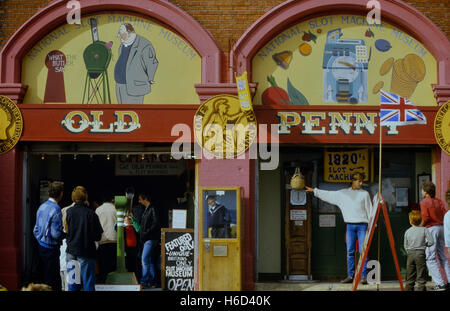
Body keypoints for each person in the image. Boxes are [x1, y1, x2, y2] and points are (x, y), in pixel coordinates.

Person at [305, 172, 372, 284]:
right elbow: (329, 195)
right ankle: (350, 276)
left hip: (362, 226)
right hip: (350, 226)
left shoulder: (365, 194)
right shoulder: (343, 194)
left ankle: (364, 276)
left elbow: (370, 210)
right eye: (359, 181)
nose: (361, 183)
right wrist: (314, 191)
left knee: (363, 251)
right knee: (350, 251)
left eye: (362, 181)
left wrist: (372, 225)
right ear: (353, 180)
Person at [66, 186, 103, 291]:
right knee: (88, 283)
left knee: (73, 283)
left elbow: (66, 230)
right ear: (85, 197)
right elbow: (97, 236)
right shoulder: (91, 213)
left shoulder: (69, 212)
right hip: (86, 252)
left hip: (71, 251)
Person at [114, 23, 158, 105]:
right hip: (120, 85)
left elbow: (152, 62)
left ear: (129, 33)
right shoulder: (123, 45)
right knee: (121, 111)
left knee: (132, 111)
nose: (118, 35)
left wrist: (150, 78)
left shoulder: (144, 44)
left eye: (120, 33)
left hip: (135, 87)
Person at [33, 181, 65, 291]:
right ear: (60, 194)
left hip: (41, 246)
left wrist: (41, 239)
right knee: (53, 279)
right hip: (51, 248)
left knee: (44, 277)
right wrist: (64, 234)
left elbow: (35, 229)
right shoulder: (56, 209)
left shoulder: (41, 207)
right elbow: (55, 234)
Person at [420, 181, 450, 291]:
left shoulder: (424, 202)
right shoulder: (439, 201)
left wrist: (419, 227)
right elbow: (444, 212)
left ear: (426, 192)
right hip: (441, 228)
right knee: (443, 256)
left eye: (422, 190)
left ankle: (440, 283)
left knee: (430, 257)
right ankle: (449, 281)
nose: (422, 192)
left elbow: (426, 217)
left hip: (431, 229)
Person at [404, 210, 434, 291]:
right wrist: (425, 245)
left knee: (410, 275)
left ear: (410, 221)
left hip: (410, 254)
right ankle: (421, 288)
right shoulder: (424, 229)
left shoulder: (407, 231)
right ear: (421, 220)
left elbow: (405, 245)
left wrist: (409, 252)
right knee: (421, 275)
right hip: (420, 253)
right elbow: (431, 241)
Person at [138, 193, 161, 288]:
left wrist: (145, 233)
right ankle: (151, 281)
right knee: (150, 260)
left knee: (144, 259)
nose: (139, 201)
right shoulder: (147, 210)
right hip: (148, 238)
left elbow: (156, 223)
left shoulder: (152, 209)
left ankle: (144, 281)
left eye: (140, 199)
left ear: (145, 199)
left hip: (150, 238)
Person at [95, 192, 117, 283]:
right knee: (112, 264)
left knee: (103, 264)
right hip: (114, 239)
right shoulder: (116, 209)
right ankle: (113, 282)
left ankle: (103, 283)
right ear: (112, 200)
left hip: (102, 239)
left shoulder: (98, 210)